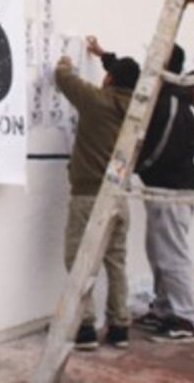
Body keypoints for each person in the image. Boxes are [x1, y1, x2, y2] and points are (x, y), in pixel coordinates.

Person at [91, 40, 194, 344]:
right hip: (163, 185)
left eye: (154, 56)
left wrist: (135, 166)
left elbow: (162, 146)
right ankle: (164, 309)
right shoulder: (161, 94)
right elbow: (132, 75)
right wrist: (105, 57)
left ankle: (185, 318)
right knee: (158, 252)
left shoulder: (171, 101)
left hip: (173, 188)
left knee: (172, 254)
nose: (148, 60)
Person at [54, 42, 140, 351]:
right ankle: (119, 327)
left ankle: (86, 327)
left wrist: (65, 60)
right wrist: (105, 57)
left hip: (89, 196)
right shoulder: (138, 110)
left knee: (79, 259)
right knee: (115, 262)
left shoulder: (97, 101)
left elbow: (63, 78)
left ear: (109, 79)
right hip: (119, 196)